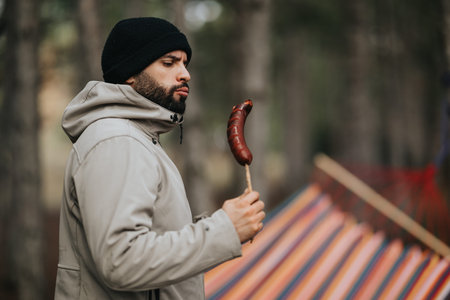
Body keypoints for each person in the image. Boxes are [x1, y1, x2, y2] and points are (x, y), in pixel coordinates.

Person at [55, 17, 265, 299]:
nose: (185, 74)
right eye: (169, 63)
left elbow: (148, 240)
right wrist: (222, 231)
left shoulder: (136, 137)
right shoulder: (118, 141)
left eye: (184, 63)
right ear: (131, 72)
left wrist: (217, 225)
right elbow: (121, 260)